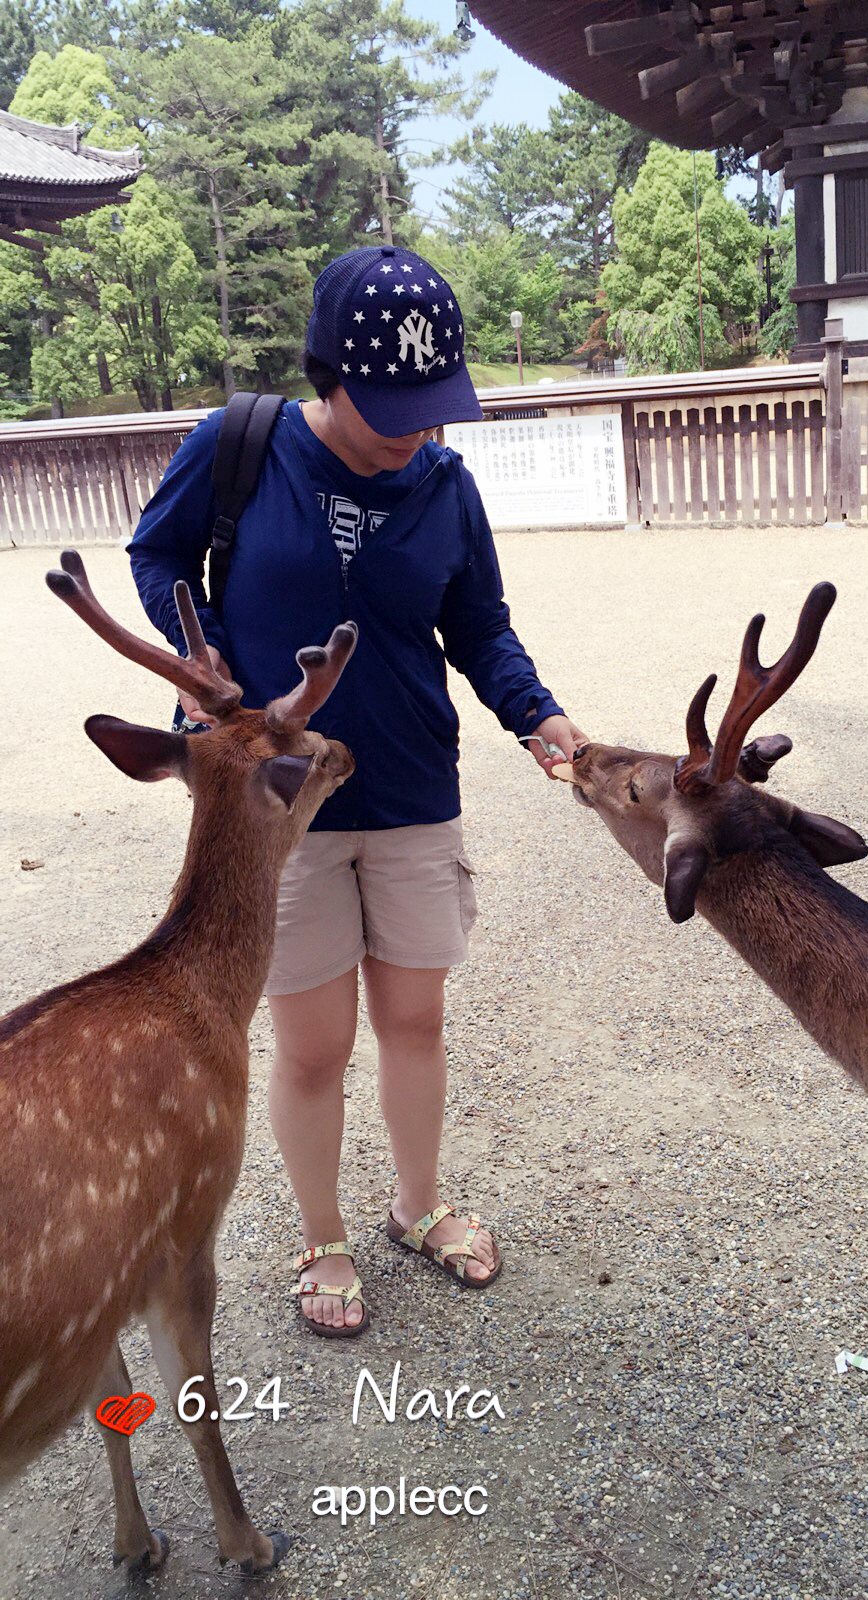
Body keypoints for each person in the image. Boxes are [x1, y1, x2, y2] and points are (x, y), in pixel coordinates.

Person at [129, 244, 585, 1338]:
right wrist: (200, 659)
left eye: (433, 409)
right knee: (314, 1041)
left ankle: (416, 1206)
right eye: (395, 409)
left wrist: (539, 715)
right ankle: (324, 1235)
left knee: (416, 1017)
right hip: (280, 812)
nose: (417, 431)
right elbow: (156, 558)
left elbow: (476, 627)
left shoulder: (444, 486)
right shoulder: (237, 449)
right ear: (327, 375)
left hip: (415, 788)